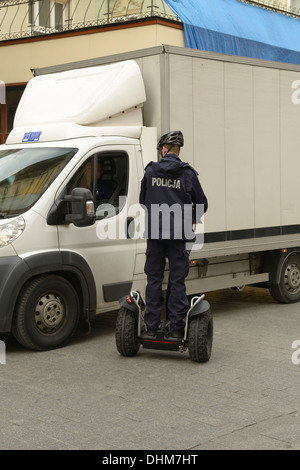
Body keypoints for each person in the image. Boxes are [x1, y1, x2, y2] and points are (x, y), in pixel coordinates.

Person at [139, 130, 208, 339]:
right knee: (178, 281)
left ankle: (151, 327)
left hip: (155, 235)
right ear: (177, 150)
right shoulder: (187, 174)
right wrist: (192, 218)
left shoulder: (150, 172)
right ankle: (177, 329)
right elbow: (203, 204)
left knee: (154, 280)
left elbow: (143, 200)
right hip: (180, 237)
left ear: (163, 149)